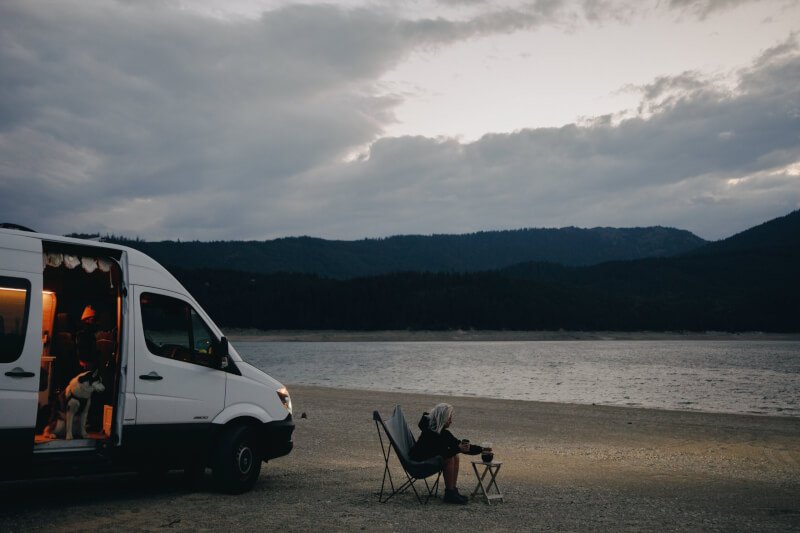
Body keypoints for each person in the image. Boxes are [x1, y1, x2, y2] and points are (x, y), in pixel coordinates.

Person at [410, 403, 481, 504]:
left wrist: (482, 449)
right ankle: (449, 494)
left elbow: (459, 445)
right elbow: (444, 454)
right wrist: (458, 448)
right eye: (449, 418)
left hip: (424, 459)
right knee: (449, 458)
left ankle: (453, 490)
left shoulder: (438, 431)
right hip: (418, 464)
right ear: (442, 418)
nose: (451, 421)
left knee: (455, 455)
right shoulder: (432, 433)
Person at [75, 305, 99, 370]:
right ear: (86, 320)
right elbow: (83, 351)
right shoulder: (82, 334)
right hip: (86, 365)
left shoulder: (91, 333)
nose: (94, 322)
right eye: (92, 320)